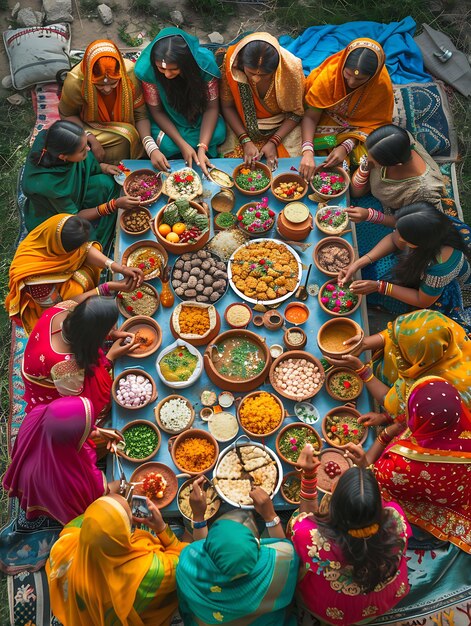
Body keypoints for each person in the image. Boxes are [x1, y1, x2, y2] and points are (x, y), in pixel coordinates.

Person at [346, 377, 471, 553]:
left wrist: (367, 458)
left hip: (419, 496)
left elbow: (374, 480)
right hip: (456, 497)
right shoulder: (458, 425)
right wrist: (385, 418)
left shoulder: (401, 464)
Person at [291, 445, 410, 626]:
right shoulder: (395, 517)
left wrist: (308, 478)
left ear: (335, 507)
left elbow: (302, 519)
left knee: (292, 522)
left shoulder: (312, 539)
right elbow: (367, 505)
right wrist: (365, 469)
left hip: (333, 611)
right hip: (384, 600)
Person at [46, 494, 187, 625]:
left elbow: (97, 516)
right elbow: (183, 562)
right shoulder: (150, 571)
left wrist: (117, 506)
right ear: (123, 537)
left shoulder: (64, 544)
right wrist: (161, 528)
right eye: (130, 523)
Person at [176, 481, 299, 625]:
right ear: (257, 544)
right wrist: (270, 515)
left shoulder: (186, 565)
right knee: (284, 519)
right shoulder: (283, 563)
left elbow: (184, 607)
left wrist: (198, 516)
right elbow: (282, 546)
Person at [340, 203, 471, 332]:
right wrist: (359, 263)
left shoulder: (440, 267)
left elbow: (422, 300)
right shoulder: (425, 224)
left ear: (415, 245)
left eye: (402, 236)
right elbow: (393, 239)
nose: (396, 234)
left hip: (438, 291)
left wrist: (380, 286)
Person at [325, 309, 471, 424]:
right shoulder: (434, 327)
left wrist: (363, 371)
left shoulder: (436, 390)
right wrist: (363, 344)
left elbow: (394, 403)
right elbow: (395, 335)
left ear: (419, 361)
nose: (396, 350)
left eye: (402, 352)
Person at [5, 214, 142, 335]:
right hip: (50, 305)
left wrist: (118, 268)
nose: (81, 250)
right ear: (63, 250)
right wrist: (105, 287)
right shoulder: (36, 283)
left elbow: (86, 250)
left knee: (92, 254)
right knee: (77, 288)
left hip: (61, 273)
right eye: (76, 249)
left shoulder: (57, 228)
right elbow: (60, 308)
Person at [22, 120, 141, 248]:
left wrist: (104, 167)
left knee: (106, 183)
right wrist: (113, 205)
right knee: (85, 236)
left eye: (86, 144)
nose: (89, 149)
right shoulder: (47, 184)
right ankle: (102, 244)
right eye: (83, 150)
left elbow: (83, 163)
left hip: (74, 190)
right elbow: (74, 216)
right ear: (63, 157)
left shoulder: (53, 140)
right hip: (57, 214)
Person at [2, 397, 119, 525]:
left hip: (34, 465)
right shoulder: (66, 480)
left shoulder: (40, 415)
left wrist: (97, 432)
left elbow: (70, 424)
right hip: (46, 485)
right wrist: (122, 485)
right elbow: (96, 493)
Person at [21, 295, 138, 418]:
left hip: (39, 359)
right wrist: (111, 357)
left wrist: (111, 334)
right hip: (49, 386)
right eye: (108, 329)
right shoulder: (66, 367)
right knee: (95, 389)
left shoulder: (64, 310)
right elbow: (77, 401)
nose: (111, 330)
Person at [134, 27, 226, 176]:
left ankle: (198, 148)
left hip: (199, 116)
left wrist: (202, 146)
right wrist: (182, 145)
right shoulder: (148, 71)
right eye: (161, 69)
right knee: (167, 145)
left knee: (218, 133)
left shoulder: (204, 66)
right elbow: (156, 111)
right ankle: (186, 147)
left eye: (174, 69)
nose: (167, 74)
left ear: (186, 63)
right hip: (169, 119)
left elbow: (212, 108)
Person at [300, 38, 393, 180]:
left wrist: (346, 146)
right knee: (301, 143)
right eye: (348, 75)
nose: (351, 82)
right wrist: (307, 151)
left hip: (359, 133)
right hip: (327, 121)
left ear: (373, 76)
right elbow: (311, 116)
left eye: (360, 79)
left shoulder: (380, 86)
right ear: (342, 64)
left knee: (376, 156)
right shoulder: (329, 77)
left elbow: (378, 124)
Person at [220, 32, 305, 168]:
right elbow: (227, 106)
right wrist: (245, 141)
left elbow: (297, 113)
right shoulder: (232, 63)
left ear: (276, 69)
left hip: (281, 124)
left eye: (265, 75)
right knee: (231, 162)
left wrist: (273, 142)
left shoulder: (290, 69)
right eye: (251, 73)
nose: (256, 79)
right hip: (242, 124)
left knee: (291, 164)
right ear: (241, 64)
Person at [59, 39, 149, 164]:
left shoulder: (129, 74)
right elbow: (67, 115)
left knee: (130, 137)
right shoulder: (75, 82)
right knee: (124, 137)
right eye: (99, 84)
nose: (107, 89)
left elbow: (141, 114)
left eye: (113, 83)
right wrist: (89, 138)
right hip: (89, 127)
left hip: (126, 126)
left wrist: (150, 145)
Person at [348, 124, 445, 225]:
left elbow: (412, 224)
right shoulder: (396, 138)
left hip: (392, 215)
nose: (367, 159)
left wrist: (369, 215)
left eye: (374, 161)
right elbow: (355, 192)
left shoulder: (423, 192)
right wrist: (364, 167)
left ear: (395, 165)